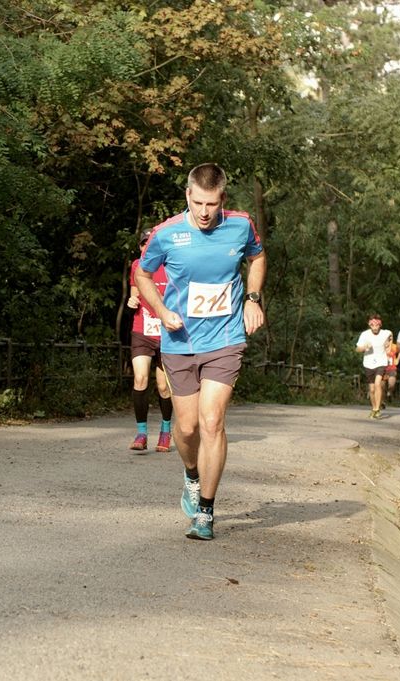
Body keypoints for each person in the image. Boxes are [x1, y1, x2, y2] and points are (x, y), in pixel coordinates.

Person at [135, 162, 266, 541]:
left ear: (222, 198)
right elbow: (143, 274)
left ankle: (206, 511)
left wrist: (253, 298)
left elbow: (257, 257)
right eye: (198, 203)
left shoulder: (241, 225)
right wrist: (161, 312)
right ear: (187, 196)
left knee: (212, 422)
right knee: (188, 427)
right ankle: (191, 475)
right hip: (180, 341)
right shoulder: (166, 233)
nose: (205, 212)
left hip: (225, 339)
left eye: (212, 204)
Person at [126, 229, 173, 453]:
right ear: (140, 247)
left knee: (163, 387)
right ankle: (141, 433)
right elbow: (134, 293)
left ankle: (165, 430)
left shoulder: (171, 266)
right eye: (143, 243)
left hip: (167, 333)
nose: (146, 247)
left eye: (150, 243)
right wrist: (132, 301)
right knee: (140, 379)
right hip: (142, 330)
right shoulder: (137, 265)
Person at [356, 314, 392, 419]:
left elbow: (391, 334)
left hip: (381, 362)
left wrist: (389, 345)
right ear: (369, 325)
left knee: (378, 384)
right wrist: (364, 347)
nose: (375, 328)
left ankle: (377, 409)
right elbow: (357, 349)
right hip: (368, 363)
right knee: (371, 390)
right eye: (373, 325)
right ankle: (374, 408)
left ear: (380, 325)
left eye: (377, 325)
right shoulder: (364, 334)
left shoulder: (385, 333)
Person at [383, 338, 399, 408]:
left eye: (389, 340)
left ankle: (389, 393)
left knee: (391, 384)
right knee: (382, 387)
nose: (387, 342)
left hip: (392, 368)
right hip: (382, 369)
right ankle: (382, 402)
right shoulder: (380, 347)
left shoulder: (394, 347)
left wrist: (398, 359)